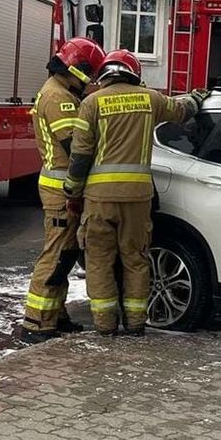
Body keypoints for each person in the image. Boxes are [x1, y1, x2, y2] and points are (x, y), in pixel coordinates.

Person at [62, 50, 207, 336]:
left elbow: (79, 157)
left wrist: (72, 193)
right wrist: (198, 97)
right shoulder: (149, 99)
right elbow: (182, 110)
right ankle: (136, 323)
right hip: (138, 199)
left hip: (99, 200)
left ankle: (105, 325)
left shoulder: (91, 104)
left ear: (105, 73)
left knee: (100, 260)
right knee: (136, 258)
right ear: (134, 73)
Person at [19, 37, 106, 344]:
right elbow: (75, 148)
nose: (92, 80)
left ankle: (55, 314)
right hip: (60, 189)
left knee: (66, 252)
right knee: (56, 253)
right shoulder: (59, 99)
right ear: (79, 70)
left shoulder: (60, 91)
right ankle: (36, 321)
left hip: (61, 187)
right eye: (91, 74)